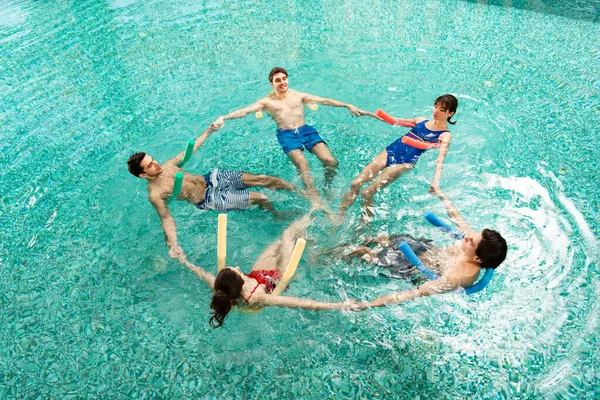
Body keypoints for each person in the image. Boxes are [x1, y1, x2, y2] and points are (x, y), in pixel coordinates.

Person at [126, 125, 295, 259]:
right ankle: (276, 215)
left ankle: (300, 191)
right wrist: (173, 244)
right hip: (210, 198)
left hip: (213, 178)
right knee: (261, 198)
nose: (156, 164)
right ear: (142, 175)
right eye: (150, 165)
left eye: (153, 160)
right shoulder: (155, 194)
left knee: (265, 179)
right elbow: (166, 218)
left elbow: (188, 152)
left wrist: (208, 131)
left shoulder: (167, 166)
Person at [176, 208, 361, 329]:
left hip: (258, 274)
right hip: (277, 279)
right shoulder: (256, 297)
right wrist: (341, 305)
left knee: (281, 241)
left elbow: (202, 273)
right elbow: (299, 303)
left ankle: (312, 238)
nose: (238, 267)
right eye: (238, 270)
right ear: (240, 281)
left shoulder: (221, 287)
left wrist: (183, 260)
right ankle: (314, 210)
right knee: (288, 235)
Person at [211, 67, 369, 192]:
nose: (282, 82)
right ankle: (314, 198)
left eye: (284, 79)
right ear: (272, 84)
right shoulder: (267, 102)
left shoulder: (298, 96)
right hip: (286, 135)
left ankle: (327, 185)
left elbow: (324, 100)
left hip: (306, 130)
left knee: (331, 161)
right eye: (277, 80)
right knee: (303, 165)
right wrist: (224, 117)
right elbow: (245, 111)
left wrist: (348, 105)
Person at [360, 187, 507, 307]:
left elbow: (414, 293)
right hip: (421, 247)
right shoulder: (474, 244)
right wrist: (441, 194)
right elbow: (457, 218)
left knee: (362, 253)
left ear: (477, 258)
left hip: (409, 266)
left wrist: (368, 304)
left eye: (471, 242)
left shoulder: (456, 278)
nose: (467, 237)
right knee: (378, 239)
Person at [338, 94, 458, 222]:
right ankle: (340, 215)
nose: (436, 111)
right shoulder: (420, 120)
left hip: (405, 162)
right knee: (355, 183)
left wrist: (436, 182)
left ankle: (364, 223)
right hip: (391, 151)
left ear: (450, 113)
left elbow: (440, 160)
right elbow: (394, 121)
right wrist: (366, 113)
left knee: (366, 193)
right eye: (435, 107)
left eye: (441, 110)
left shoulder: (445, 135)